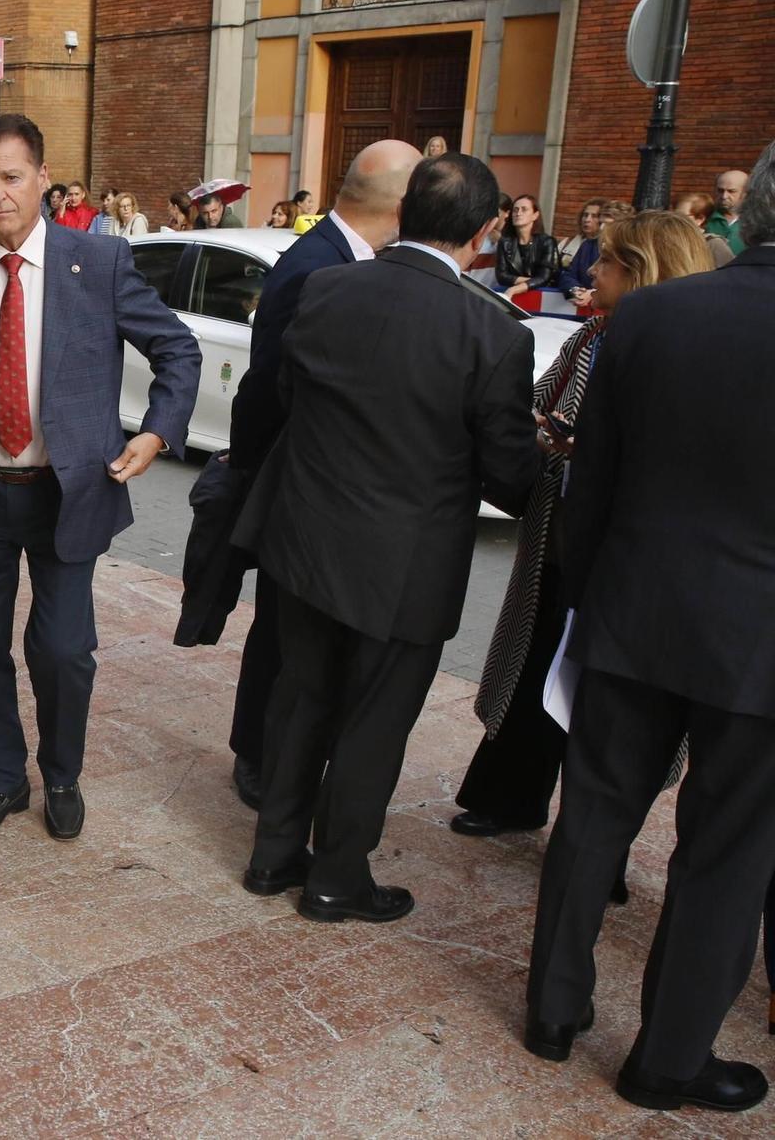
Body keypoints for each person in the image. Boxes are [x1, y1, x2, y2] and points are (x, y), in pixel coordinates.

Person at [523, 140, 775, 1113]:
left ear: (748, 209)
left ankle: (551, 1013)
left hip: (631, 609)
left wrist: (593, 594)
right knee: (725, 852)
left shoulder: (651, 314)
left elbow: (590, 484)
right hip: (756, 646)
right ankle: (665, 1059)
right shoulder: (653, 312)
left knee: (590, 814)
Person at [233, 152, 537, 922]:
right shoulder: (492, 332)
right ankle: (335, 877)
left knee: (300, 697)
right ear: (488, 229)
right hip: (405, 564)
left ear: (404, 214)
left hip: (307, 540)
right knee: (373, 721)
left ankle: (274, 857)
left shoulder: (328, 287)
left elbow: (290, 395)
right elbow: (509, 475)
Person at [0, 113, 200, 840]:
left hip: (70, 492)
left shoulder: (101, 262)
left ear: (43, 179)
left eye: (13, 177)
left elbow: (177, 352)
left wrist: (156, 432)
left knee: (62, 649)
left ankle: (62, 772)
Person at [452, 212, 715, 851]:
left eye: (607, 262)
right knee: (537, 661)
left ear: (643, 270)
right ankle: (509, 797)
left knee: (617, 701)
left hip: (637, 557)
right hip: (560, 536)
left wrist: (594, 448)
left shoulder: (694, 352)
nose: (592, 272)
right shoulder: (588, 336)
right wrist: (551, 437)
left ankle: (600, 846)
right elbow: (540, 405)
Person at [222, 139, 421, 809]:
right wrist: (255, 473)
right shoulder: (316, 266)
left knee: (292, 634)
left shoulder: (347, 259)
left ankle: (272, 750)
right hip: (295, 486)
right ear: (399, 202)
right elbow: (268, 386)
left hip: (310, 489)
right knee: (280, 632)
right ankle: (255, 754)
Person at [560, 199, 635, 306]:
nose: (602, 228)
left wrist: (593, 294)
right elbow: (568, 275)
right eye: (601, 223)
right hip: (583, 311)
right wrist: (576, 290)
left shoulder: (629, 252)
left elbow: (630, 286)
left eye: (609, 224)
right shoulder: (587, 245)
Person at [495, 194, 560, 298]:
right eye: (515, 210)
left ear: (535, 215)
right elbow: (501, 276)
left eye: (524, 209)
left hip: (542, 298)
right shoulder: (505, 242)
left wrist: (515, 289)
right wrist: (534, 280)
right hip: (515, 298)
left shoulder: (547, 242)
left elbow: (546, 276)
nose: (518, 213)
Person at [676, 191, 736, 267]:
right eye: (674, 214)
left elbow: (728, 272)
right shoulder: (674, 240)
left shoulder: (714, 244)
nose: (675, 219)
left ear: (700, 219)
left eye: (681, 215)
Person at [706, 168, 746, 257]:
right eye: (720, 190)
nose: (724, 196)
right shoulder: (703, 217)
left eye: (731, 191)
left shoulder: (757, 221)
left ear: (745, 193)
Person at [557, 199, 602, 268]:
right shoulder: (568, 242)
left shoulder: (603, 246)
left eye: (594, 216)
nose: (587, 220)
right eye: (585, 215)